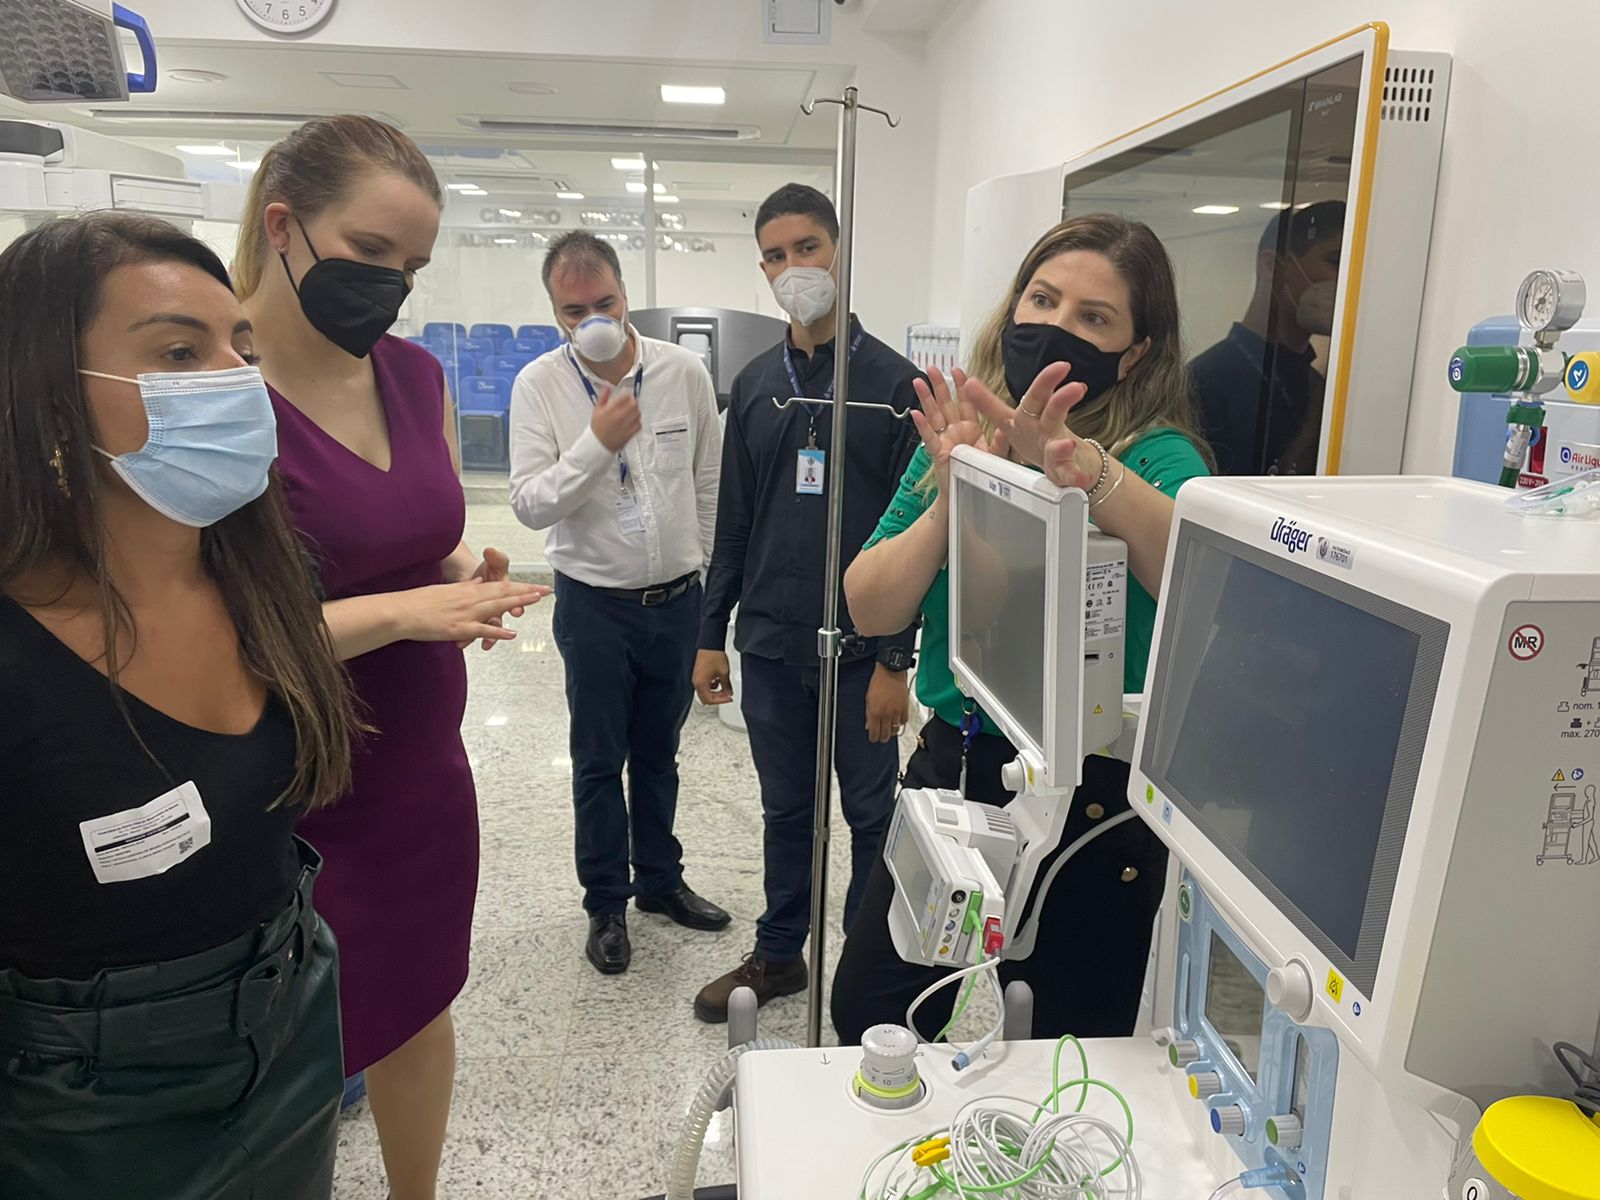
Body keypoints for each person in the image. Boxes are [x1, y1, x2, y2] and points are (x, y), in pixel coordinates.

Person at [0, 212, 359, 1198]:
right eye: (177, 352)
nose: (235, 379)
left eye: (241, 347)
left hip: (292, 1014)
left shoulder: (266, 580)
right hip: (81, 1096)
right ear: (47, 390)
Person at [234, 116, 548, 1200]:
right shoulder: (218, 395)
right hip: (291, 774)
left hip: (418, 763)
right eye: (370, 253)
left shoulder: (412, 376)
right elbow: (221, 637)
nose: (392, 288)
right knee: (288, 1041)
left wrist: (462, 572)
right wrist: (410, 609)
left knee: (418, 1005)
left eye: (410, 267)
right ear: (284, 227)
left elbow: (413, 534)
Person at [831, 213, 1213, 1046]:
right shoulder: (960, 439)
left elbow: (1198, 581)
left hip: (1092, 798)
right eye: (1042, 300)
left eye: (1094, 316)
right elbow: (869, 606)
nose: (1056, 326)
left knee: (1063, 1045)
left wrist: (1084, 470)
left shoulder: (1157, 458)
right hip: (957, 759)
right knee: (871, 1010)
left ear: (1136, 351)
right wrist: (958, 491)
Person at [692, 184, 921, 1023]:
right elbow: (734, 525)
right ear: (762, 269)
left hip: (861, 653)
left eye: (808, 248)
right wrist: (710, 634)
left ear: (840, 249)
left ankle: (864, 963)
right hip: (771, 643)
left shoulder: (897, 388)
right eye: (776, 256)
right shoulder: (756, 385)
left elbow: (916, 540)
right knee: (786, 811)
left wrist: (895, 662)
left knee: (869, 814)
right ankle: (781, 952)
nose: (794, 268)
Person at [510, 231, 730, 976]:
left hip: (676, 601)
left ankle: (661, 881)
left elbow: (708, 481)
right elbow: (531, 504)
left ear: (626, 295)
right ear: (555, 313)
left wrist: (705, 583)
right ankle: (605, 902)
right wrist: (597, 444)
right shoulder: (540, 385)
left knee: (659, 755)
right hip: (594, 605)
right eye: (575, 311)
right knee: (599, 761)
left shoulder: (682, 371)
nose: (593, 320)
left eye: (604, 302)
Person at [1188, 201, 1345, 475]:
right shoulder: (1203, 382)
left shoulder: (1316, 384)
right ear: (1271, 267)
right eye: (1336, 263)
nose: (1347, 282)